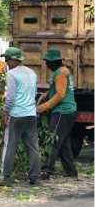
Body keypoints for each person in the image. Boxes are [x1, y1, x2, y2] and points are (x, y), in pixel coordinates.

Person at [0, 47, 41, 186]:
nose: (6, 62)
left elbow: (10, 98)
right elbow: (34, 93)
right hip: (31, 114)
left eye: (7, 59)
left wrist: (5, 112)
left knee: (10, 145)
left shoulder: (12, 74)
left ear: (13, 60)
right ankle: (34, 176)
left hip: (16, 115)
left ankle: (5, 177)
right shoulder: (32, 73)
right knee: (33, 147)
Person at [37, 49, 78, 180]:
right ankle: (71, 172)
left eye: (48, 62)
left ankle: (46, 171)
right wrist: (45, 95)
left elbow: (60, 94)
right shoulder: (63, 71)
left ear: (54, 62)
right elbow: (56, 90)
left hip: (62, 111)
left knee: (52, 140)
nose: (46, 65)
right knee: (63, 142)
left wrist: (42, 107)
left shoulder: (60, 73)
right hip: (67, 111)